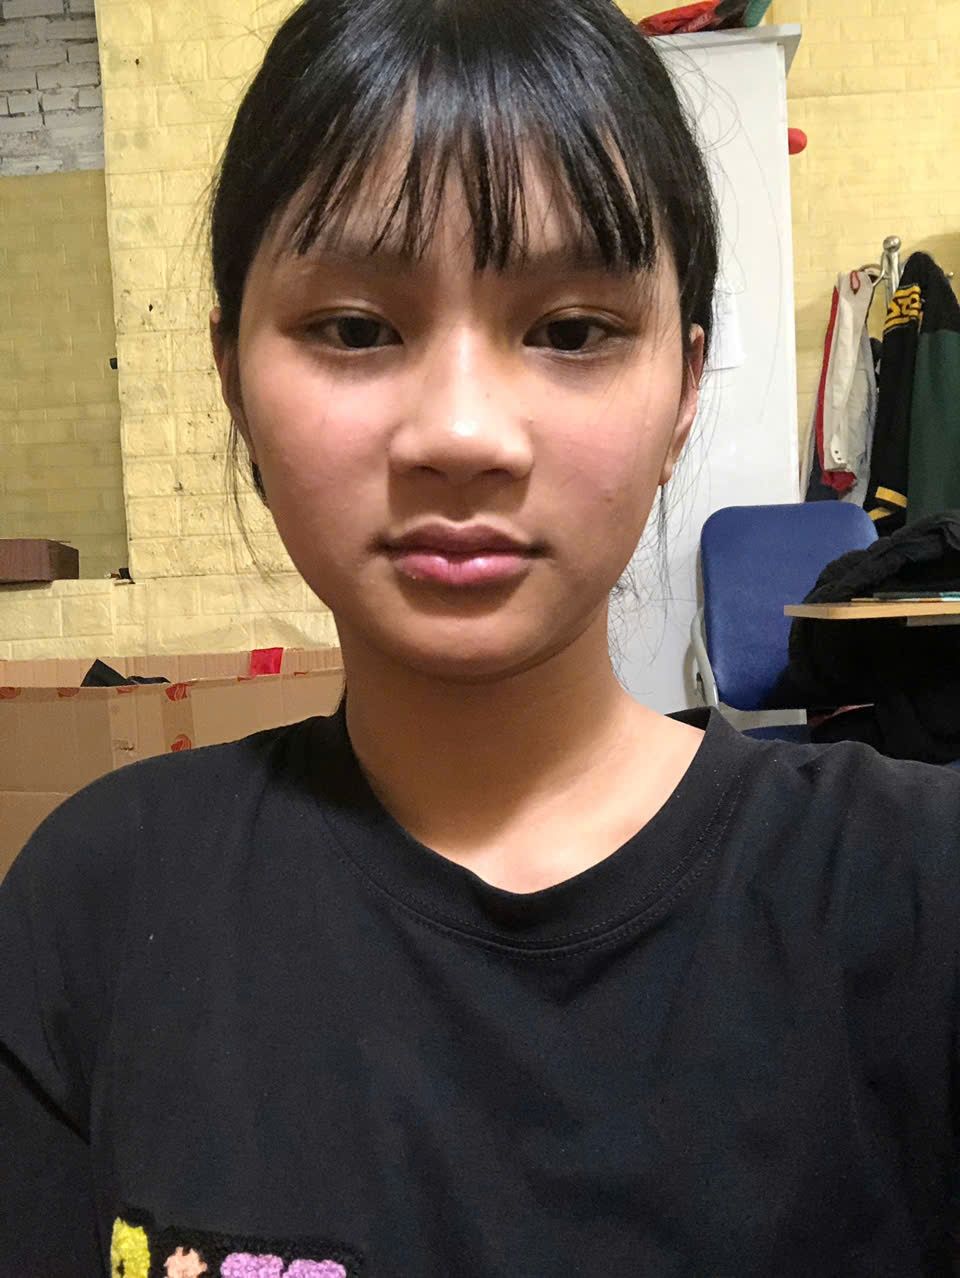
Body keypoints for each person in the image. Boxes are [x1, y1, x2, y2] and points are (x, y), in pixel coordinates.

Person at [2, 0, 959, 1274]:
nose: (462, 433)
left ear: (684, 387)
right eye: (356, 329)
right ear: (232, 374)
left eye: (572, 332)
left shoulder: (917, 896)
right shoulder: (96, 909)